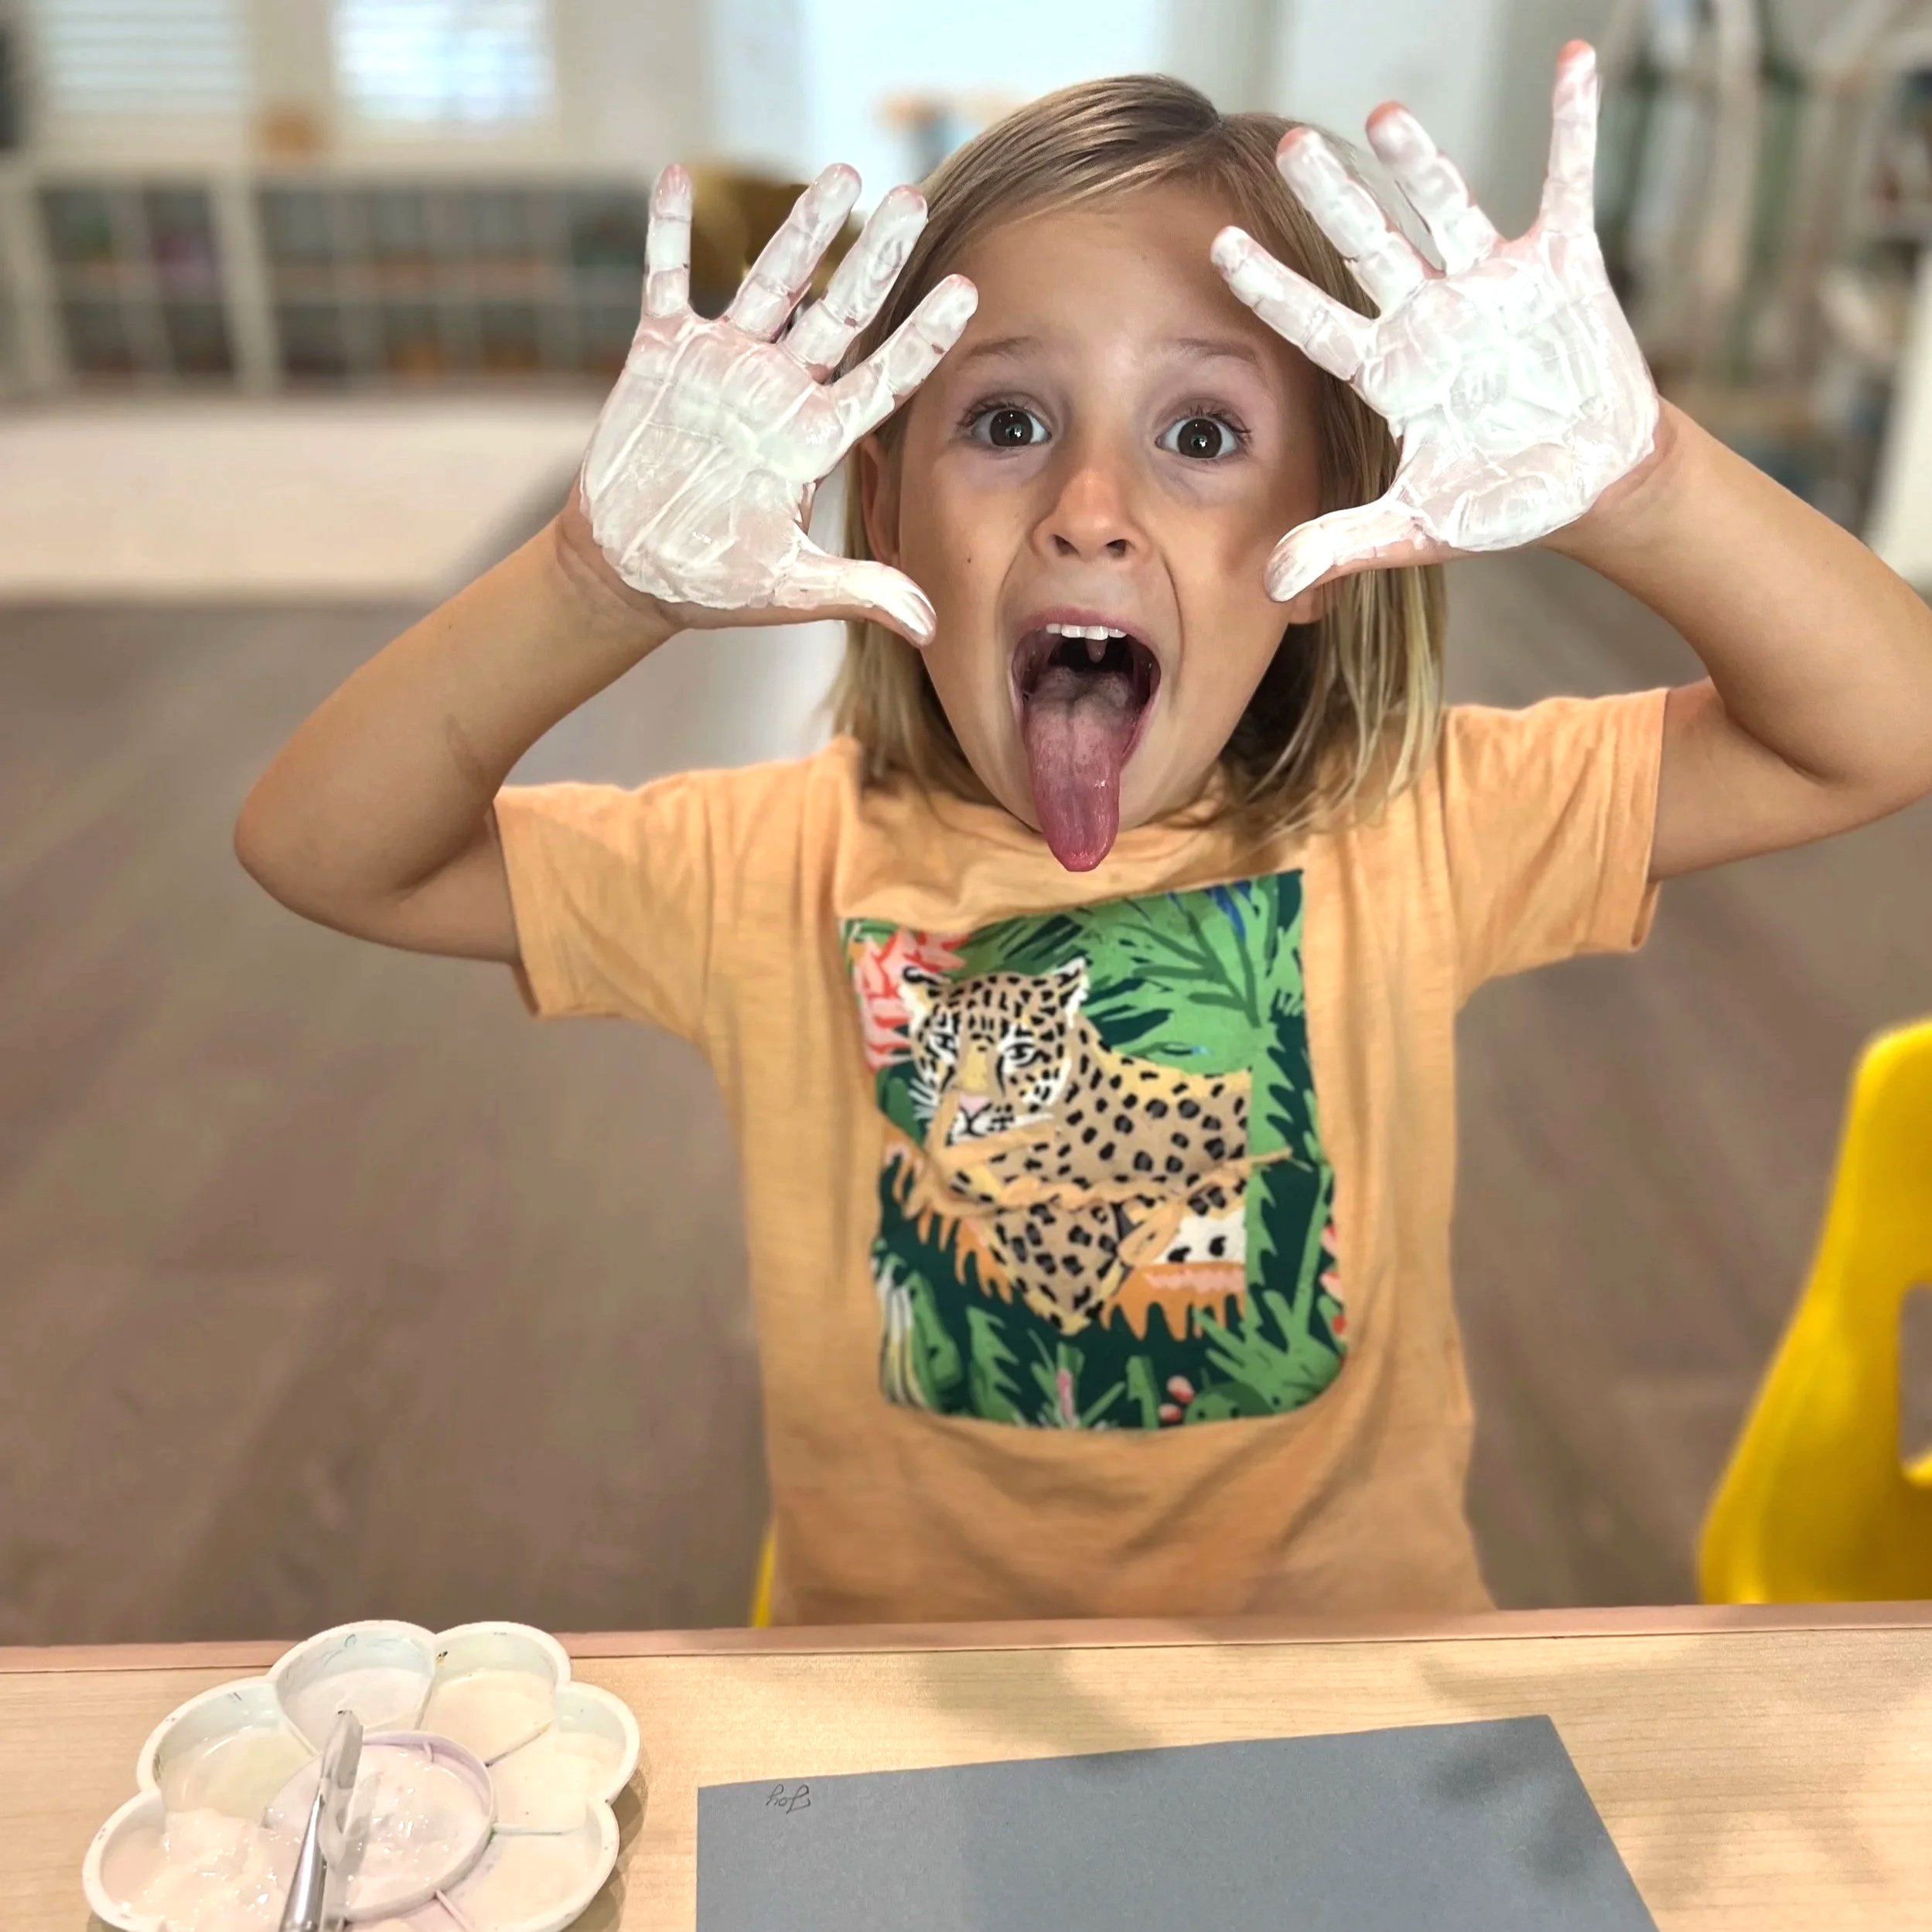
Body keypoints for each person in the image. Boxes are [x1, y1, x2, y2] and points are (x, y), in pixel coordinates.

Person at [235, 45, 1932, 1624]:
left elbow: (1882, 727)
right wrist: (588, 583)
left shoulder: (1424, 828)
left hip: (1339, 1669)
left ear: (1327, 542)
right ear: (881, 507)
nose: (1090, 511)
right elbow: (321, 844)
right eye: (1006, 421)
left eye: (1201, 435)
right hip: (899, 1684)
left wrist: (1641, 486)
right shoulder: (764, 869)